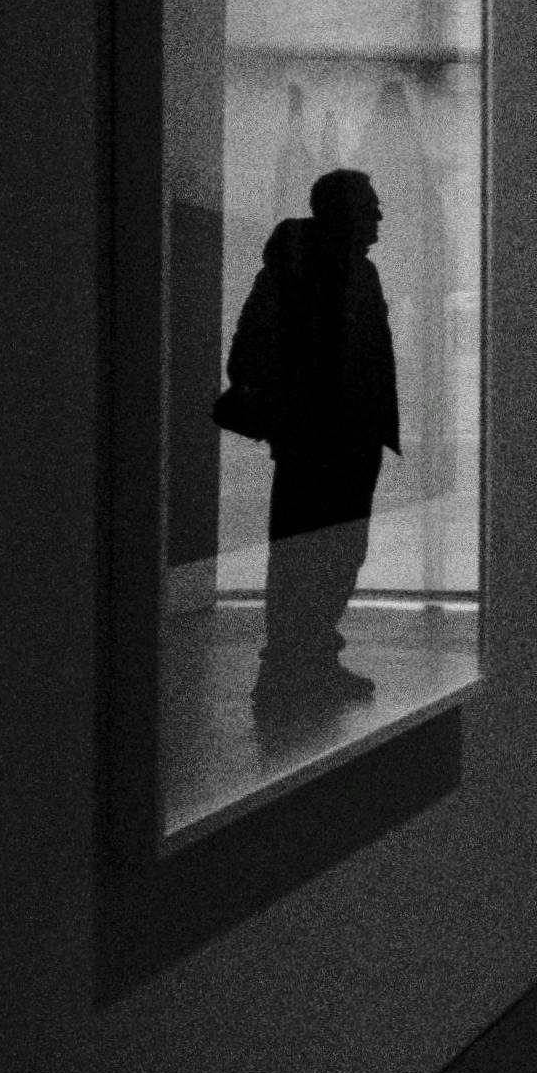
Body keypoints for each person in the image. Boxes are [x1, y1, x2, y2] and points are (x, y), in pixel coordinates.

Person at [222, 167, 398, 715]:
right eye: (370, 206)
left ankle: (312, 655)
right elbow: (248, 353)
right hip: (315, 441)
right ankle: (289, 665)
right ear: (344, 213)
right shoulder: (294, 273)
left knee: (341, 551)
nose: (379, 216)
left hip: (350, 440)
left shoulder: (358, 275)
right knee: (306, 554)